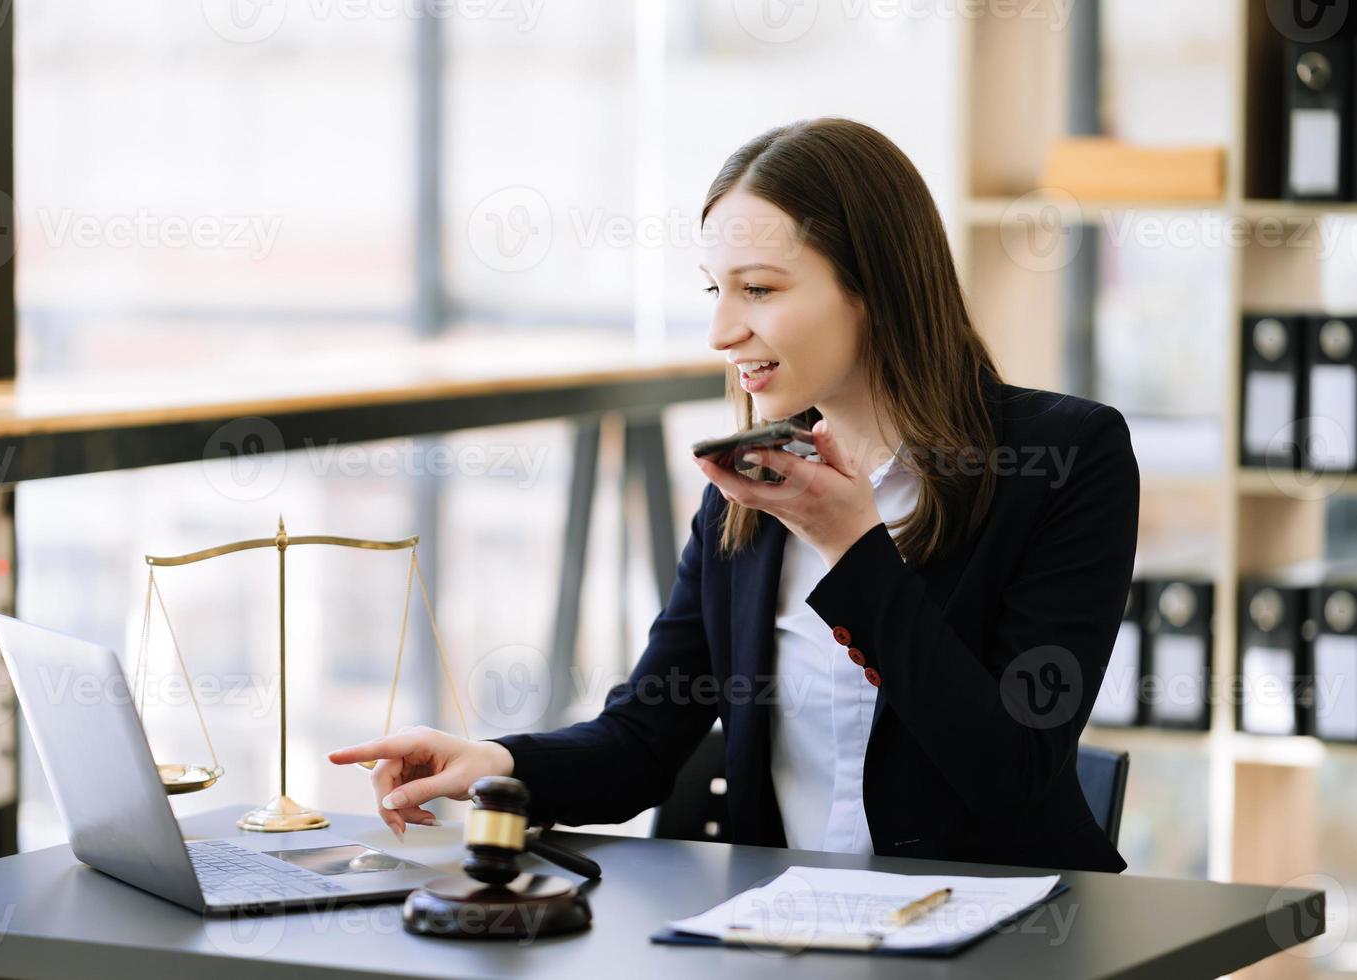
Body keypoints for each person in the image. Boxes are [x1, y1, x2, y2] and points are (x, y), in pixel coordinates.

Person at [328, 117, 1138, 873]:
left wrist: (853, 548)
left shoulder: (1065, 459)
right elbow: (644, 740)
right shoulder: (750, 491)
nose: (721, 332)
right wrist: (495, 763)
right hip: (788, 932)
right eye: (713, 290)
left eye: (758, 290)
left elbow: (1012, 770)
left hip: (1011, 934)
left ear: (876, 288)